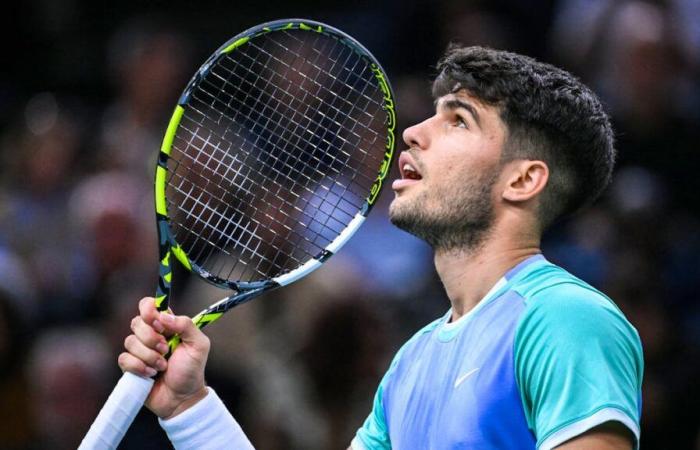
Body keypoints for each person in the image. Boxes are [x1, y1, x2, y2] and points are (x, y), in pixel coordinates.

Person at [119, 46, 643, 449]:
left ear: (523, 180)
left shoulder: (565, 321)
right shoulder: (410, 364)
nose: (412, 133)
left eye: (458, 120)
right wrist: (189, 407)